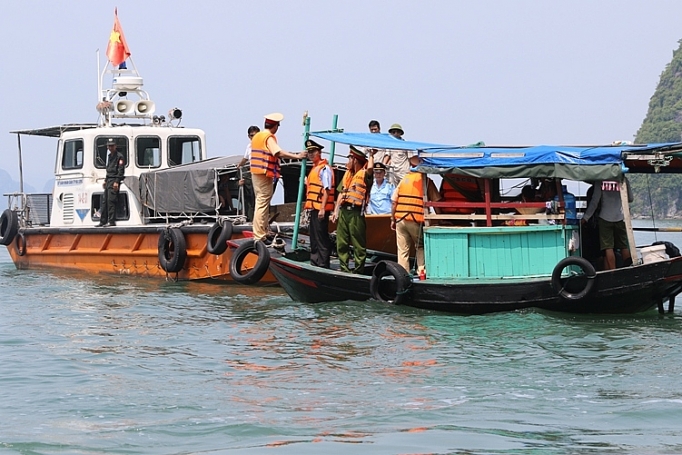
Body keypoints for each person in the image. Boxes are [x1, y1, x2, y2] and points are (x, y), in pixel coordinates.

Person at [250, 113, 307, 244]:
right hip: (263, 173)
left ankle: (262, 230)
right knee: (262, 202)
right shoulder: (268, 137)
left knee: (261, 201)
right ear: (275, 126)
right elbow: (277, 152)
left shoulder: (257, 136)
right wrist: (297, 156)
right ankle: (259, 234)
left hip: (257, 173)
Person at [391, 155, 442, 273]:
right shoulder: (427, 181)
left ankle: (402, 276)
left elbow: (394, 202)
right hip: (416, 220)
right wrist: (440, 219)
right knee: (420, 246)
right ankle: (421, 272)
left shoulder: (404, 179)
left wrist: (392, 219)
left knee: (403, 250)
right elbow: (436, 202)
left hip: (400, 219)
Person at [331, 146, 374, 273]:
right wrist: (336, 211)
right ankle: (344, 267)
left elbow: (371, 168)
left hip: (356, 212)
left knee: (358, 242)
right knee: (341, 241)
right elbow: (341, 194)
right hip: (344, 211)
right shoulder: (348, 175)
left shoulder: (365, 174)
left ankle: (358, 269)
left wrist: (371, 155)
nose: (347, 161)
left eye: (349, 158)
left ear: (355, 160)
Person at [581, 178, 634, 270]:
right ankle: (629, 270)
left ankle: (612, 273)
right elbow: (630, 198)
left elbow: (595, 201)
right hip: (620, 217)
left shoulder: (600, 180)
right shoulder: (623, 180)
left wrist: (585, 218)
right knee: (623, 246)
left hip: (605, 218)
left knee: (608, 247)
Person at [304, 139, 335, 268]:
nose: (311, 154)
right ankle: (315, 260)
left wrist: (322, 208)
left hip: (320, 208)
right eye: (309, 152)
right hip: (313, 208)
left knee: (321, 237)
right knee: (314, 237)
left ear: (319, 152)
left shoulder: (324, 168)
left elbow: (327, 189)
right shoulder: (314, 168)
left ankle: (323, 262)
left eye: (313, 151)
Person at [98, 138, 125, 227]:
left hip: (114, 180)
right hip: (109, 180)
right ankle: (103, 221)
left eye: (112, 146)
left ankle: (111, 221)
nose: (110, 147)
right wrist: (105, 180)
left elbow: (120, 171)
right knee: (104, 201)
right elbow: (108, 170)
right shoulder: (109, 157)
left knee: (111, 201)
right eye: (109, 146)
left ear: (115, 146)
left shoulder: (119, 157)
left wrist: (117, 181)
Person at [237, 125, 259, 221]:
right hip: (253, 174)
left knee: (259, 199)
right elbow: (245, 159)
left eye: (256, 135)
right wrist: (239, 166)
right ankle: (252, 219)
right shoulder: (249, 146)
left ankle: (260, 220)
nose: (254, 137)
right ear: (249, 137)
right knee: (251, 198)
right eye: (252, 136)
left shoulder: (264, 144)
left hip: (261, 174)